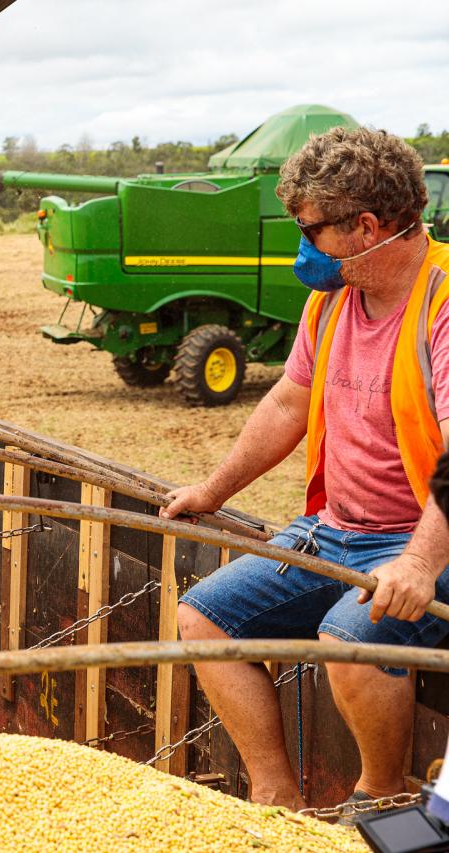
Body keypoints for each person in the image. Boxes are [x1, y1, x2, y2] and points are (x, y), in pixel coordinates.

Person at [161, 126, 449, 811]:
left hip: (428, 539)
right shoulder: (332, 299)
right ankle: (274, 799)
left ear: (367, 227)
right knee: (204, 619)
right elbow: (290, 400)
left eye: (310, 229)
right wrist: (211, 489)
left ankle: (380, 799)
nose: (303, 247)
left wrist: (416, 564)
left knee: (348, 639)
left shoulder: (442, 305)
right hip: (336, 529)